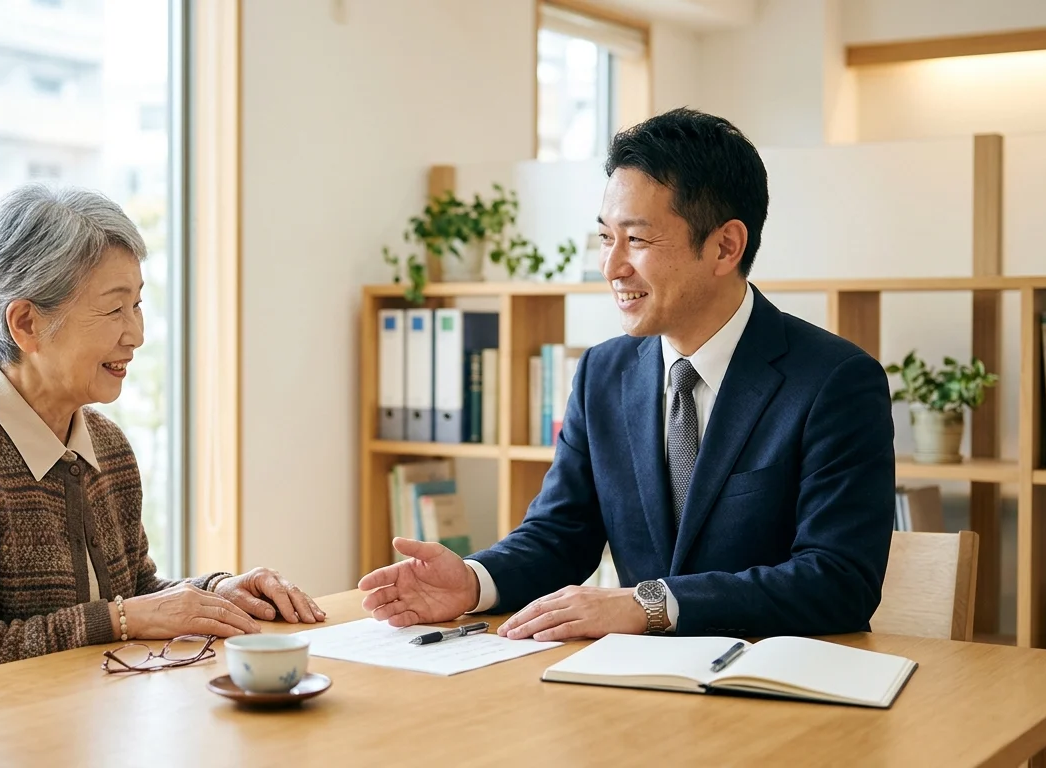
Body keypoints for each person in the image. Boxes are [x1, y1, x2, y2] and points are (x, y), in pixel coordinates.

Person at [360, 108, 895, 642]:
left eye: (636, 240)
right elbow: (560, 534)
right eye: (604, 238)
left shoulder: (836, 381)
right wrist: (475, 581)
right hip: (632, 689)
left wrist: (651, 604)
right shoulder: (602, 373)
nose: (612, 266)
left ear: (725, 246)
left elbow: (838, 580)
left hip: (774, 691)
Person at [0, 184, 324, 689]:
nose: (137, 333)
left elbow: (137, 594)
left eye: (138, 305)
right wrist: (123, 619)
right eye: (114, 309)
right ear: (26, 324)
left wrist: (220, 593)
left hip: (75, 728)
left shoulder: (107, 447)